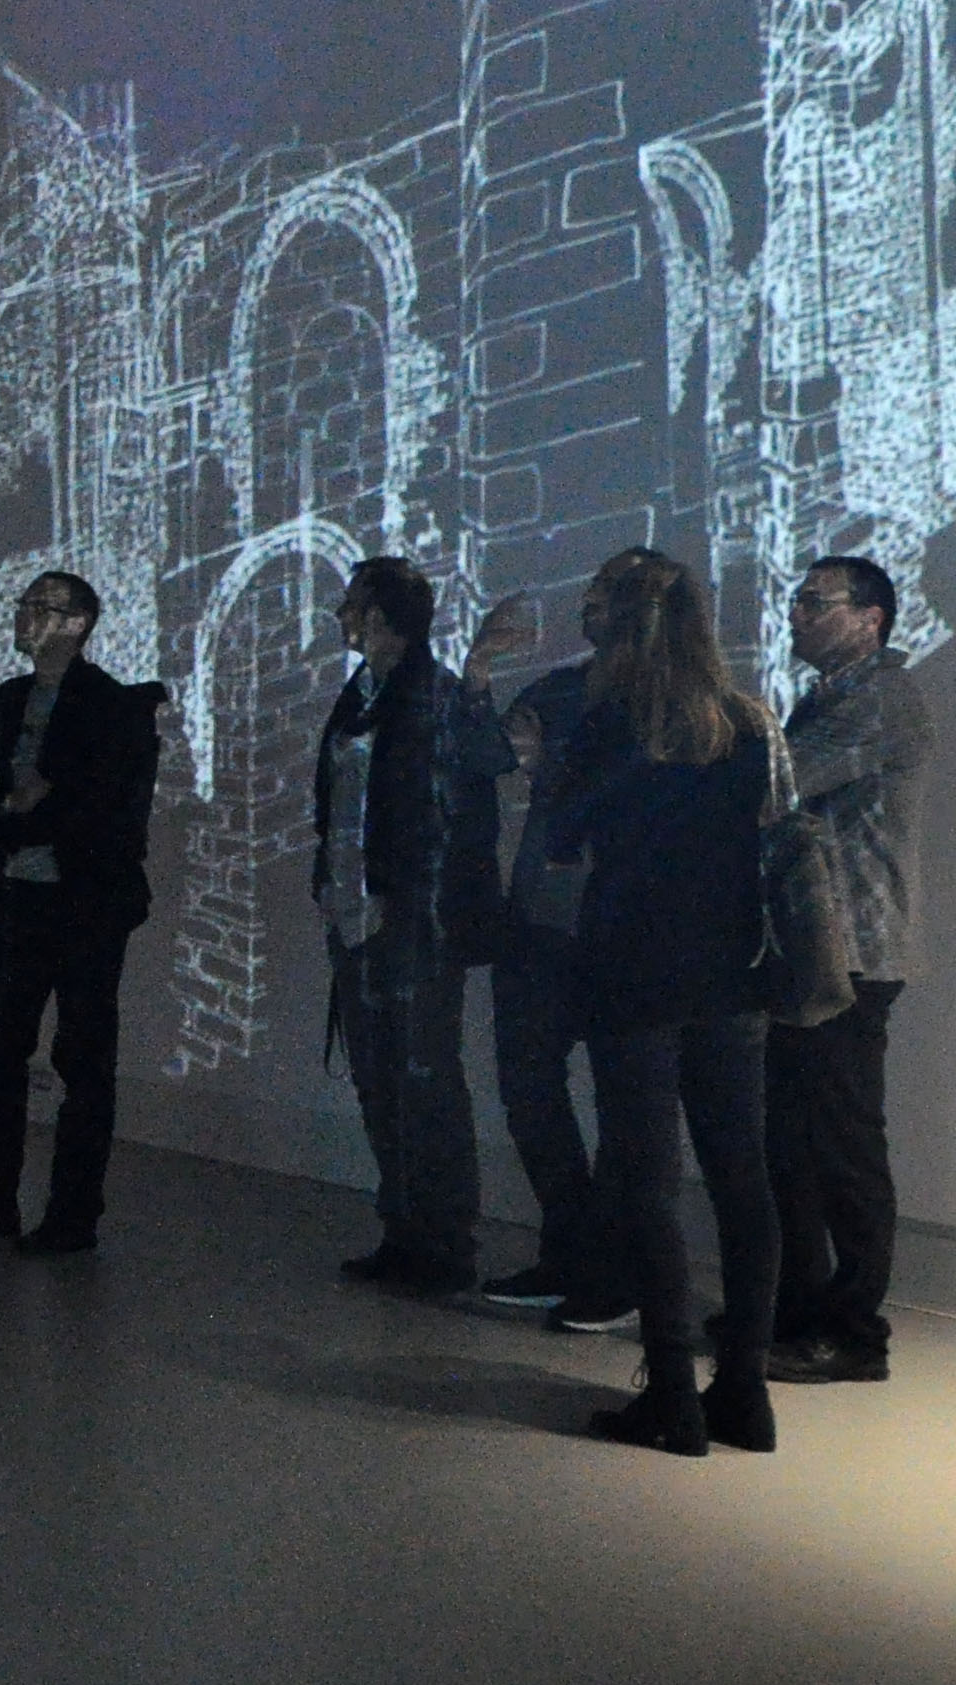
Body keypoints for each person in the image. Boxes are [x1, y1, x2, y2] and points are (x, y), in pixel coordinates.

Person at [551, 556, 780, 1457]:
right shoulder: (744, 723)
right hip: (730, 973)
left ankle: (674, 1396)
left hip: (635, 973)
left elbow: (564, 838)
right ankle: (746, 1392)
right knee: (741, 1177)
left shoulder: (611, 723)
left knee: (648, 1185)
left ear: (619, 622)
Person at [0, 571, 163, 1255]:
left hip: (87, 905)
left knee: (82, 1060)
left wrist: (24, 808)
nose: (24, 617)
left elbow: (104, 811)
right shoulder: (7, 701)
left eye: (41, 607)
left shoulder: (113, 707)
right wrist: (15, 804)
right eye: (24, 606)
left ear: (78, 622)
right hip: (15, 898)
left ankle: (72, 1215)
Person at [311, 558, 508, 1294]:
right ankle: (404, 1231)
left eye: (352, 604)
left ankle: (445, 1243)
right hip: (357, 915)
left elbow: (481, 773)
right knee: (377, 1078)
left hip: (415, 922)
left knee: (424, 1080)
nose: (341, 616)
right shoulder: (361, 693)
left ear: (381, 615)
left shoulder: (435, 693)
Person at [485, 549, 665, 1333]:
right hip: (541, 919)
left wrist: (553, 761)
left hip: (624, 927)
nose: (589, 602)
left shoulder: (672, 701)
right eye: (590, 589)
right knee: (529, 1085)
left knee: (626, 1106)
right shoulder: (559, 688)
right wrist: (481, 671)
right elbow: (492, 754)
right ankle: (572, 1250)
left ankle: (614, 1271)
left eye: (606, 591)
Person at [768, 553, 928, 1385]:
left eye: (814, 602)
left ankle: (855, 1333)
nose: (797, 614)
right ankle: (798, 1312)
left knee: (840, 1144)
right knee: (792, 1143)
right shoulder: (828, 696)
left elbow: (784, 783)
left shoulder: (880, 698)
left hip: (853, 954)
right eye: (796, 600)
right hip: (814, 950)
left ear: (871, 618)